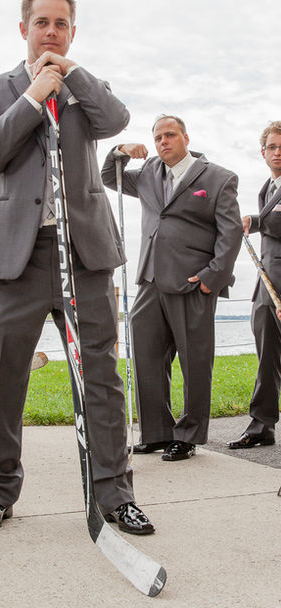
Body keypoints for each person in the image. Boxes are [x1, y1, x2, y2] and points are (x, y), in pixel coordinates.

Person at [0, 0, 154, 536]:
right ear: (23, 28)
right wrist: (31, 97)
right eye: (42, 22)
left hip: (84, 254)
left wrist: (68, 77)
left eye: (62, 24)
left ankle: (116, 494)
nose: (51, 31)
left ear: (72, 32)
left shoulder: (85, 90)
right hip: (13, 259)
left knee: (99, 375)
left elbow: (116, 119)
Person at [102, 115, 242, 461]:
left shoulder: (218, 178)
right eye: (158, 137)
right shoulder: (149, 172)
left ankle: (189, 434)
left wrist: (213, 277)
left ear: (185, 137)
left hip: (194, 283)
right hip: (150, 280)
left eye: (170, 135)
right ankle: (157, 432)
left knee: (195, 363)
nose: (164, 141)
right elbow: (108, 177)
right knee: (146, 356)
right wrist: (120, 150)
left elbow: (231, 232)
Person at [228, 121, 281, 449]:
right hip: (267, 286)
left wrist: (256, 221)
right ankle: (262, 425)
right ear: (263, 153)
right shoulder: (267, 187)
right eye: (273, 147)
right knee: (267, 358)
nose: (279, 152)